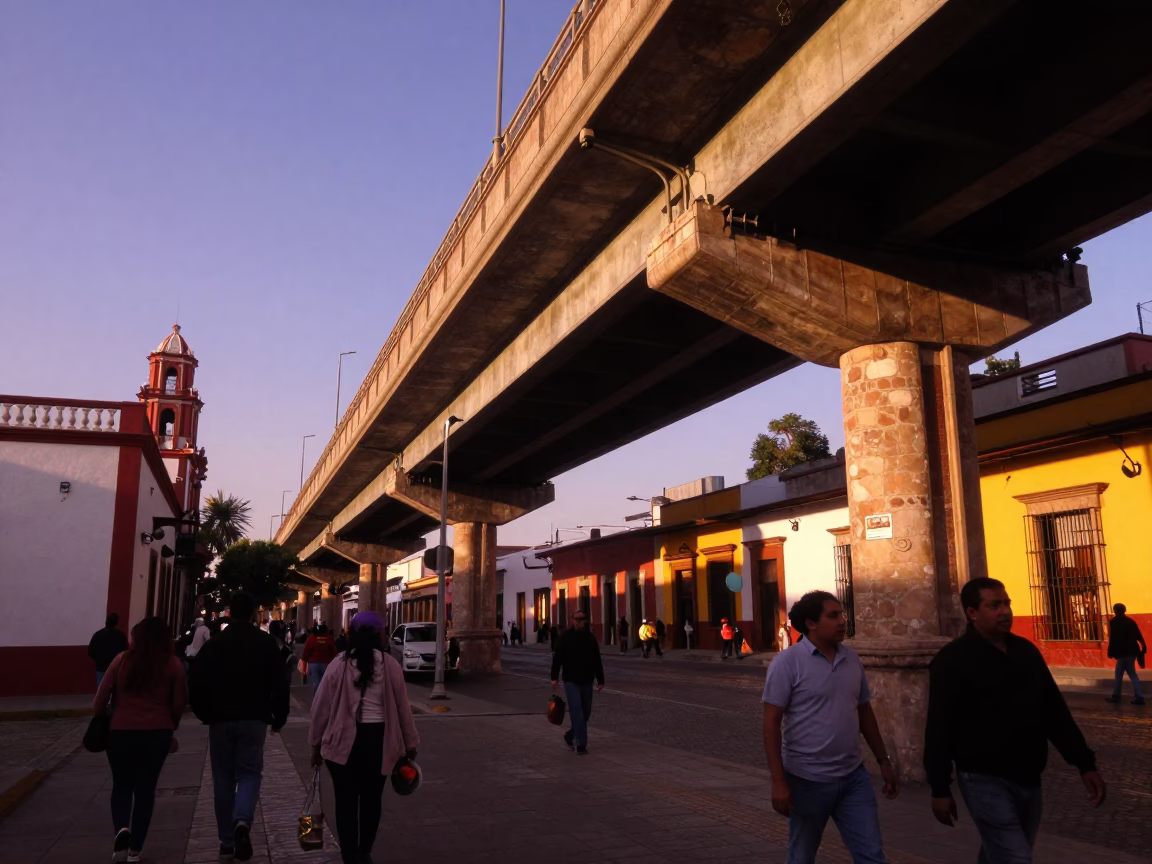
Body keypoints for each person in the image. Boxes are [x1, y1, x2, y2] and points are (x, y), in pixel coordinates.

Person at [924, 577, 1106, 862]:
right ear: (972, 612)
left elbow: (1054, 713)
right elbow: (939, 728)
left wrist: (1084, 763)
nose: (1005, 611)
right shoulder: (952, 660)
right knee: (1015, 857)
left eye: (1007, 604)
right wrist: (940, 787)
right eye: (994, 605)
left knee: (1001, 852)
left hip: (1029, 777)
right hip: (982, 777)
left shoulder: (1026, 652)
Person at [762, 591, 898, 864]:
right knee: (802, 855)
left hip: (852, 778)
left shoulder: (851, 659)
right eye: (833, 615)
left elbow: (864, 712)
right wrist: (778, 782)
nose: (842, 621)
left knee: (872, 855)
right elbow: (771, 723)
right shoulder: (787, 663)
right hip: (806, 780)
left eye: (842, 614)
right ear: (811, 623)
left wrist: (883, 760)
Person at [310, 611, 419, 864]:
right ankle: (364, 851)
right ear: (381, 634)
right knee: (372, 800)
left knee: (345, 802)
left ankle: (349, 855)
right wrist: (410, 745)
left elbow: (320, 708)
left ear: (351, 633)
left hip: (341, 745)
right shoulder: (390, 665)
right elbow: (404, 709)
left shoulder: (339, 663)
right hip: (378, 743)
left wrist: (315, 744)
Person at [189, 592, 290, 861]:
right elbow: (280, 683)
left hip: (220, 719)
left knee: (222, 778)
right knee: (249, 773)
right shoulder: (267, 643)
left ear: (230, 613)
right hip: (254, 719)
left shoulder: (215, 644)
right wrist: (279, 717)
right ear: (254, 615)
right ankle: (242, 821)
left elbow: (196, 681)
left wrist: (204, 713)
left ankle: (226, 841)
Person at [93, 616, 186, 864]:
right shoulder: (173, 664)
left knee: (121, 785)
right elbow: (178, 705)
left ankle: (122, 830)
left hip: (120, 732)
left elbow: (99, 702)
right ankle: (136, 850)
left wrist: (105, 715)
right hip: (157, 734)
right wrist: (170, 727)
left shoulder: (121, 660)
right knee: (146, 790)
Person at [550, 609, 604, 755]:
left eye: (582, 619)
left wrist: (601, 680)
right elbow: (558, 658)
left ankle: (570, 735)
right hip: (571, 680)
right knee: (576, 710)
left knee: (586, 712)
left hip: (587, 679)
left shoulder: (590, 638)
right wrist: (554, 677)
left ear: (585, 621)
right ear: (572, 620)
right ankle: (581, 744)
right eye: (577, 619)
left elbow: (596, 660)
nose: (579, 622)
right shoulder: (565, 637)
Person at [1105, 602, 1146, 705]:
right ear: (1124, 610)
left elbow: (1113, 638)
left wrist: (1110, 652)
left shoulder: (1114, 622)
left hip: (1122, 653)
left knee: (1119, 675)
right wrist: (1144, 645)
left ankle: (1116, 696)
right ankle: (1139, 696)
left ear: (1115, 611)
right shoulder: (1130, 621)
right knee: (1132, 674)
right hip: (1132, 651)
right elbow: (1138, 634)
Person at [89, 613, 128, 688]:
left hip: (101, 666)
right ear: (116, 622)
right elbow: (125, 650)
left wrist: (98, 660)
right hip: (116, 666)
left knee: (101, 688)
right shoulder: (121, 635)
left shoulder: (97, 635)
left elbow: (91, 651)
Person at [301, 623, 337, 695]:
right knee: (325, 682)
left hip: (313, 663)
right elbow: (334, 651)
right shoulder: (329, 638)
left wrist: (304, 660)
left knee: (316, 682)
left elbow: (306, 651)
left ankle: (316, 698)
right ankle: (324, 698)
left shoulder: (311, 638)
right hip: (326, 663)